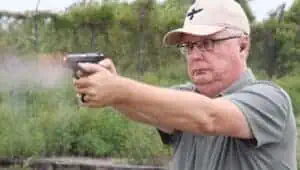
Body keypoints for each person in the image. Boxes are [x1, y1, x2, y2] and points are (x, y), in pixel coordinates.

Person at [73, 0, 297, 169]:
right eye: (189, 47)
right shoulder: (187, 98)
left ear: (242, 45)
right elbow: (147, 109)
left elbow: (208, 117)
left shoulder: (269, 99)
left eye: (207, 43)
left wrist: (119, 88)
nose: (195, 55)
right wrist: (114, 90)